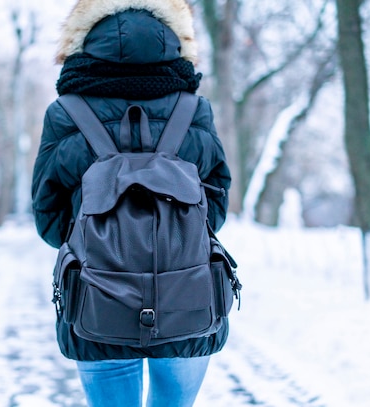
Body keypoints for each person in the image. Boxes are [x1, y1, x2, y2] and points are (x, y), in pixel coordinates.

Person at [31, 1, 232, 406]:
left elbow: (48, 218)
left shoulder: (66, 112)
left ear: (82, 39)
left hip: (96, 300)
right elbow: (216, 207)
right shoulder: (194, 110)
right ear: (174, 37)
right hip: (187, 297)